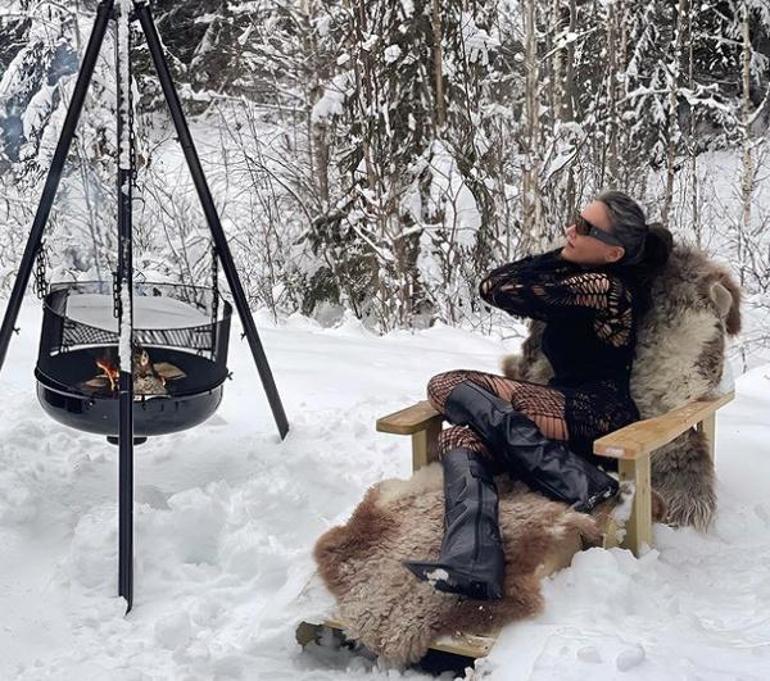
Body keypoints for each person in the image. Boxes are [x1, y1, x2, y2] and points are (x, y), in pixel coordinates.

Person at [404, 190, 674, 600]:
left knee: (445, 385)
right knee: (456, 437)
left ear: (614, 253)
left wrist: (563, 257)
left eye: (585, 227)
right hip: (561, 409)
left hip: (598, 413)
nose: (570, 229)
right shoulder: (585, 275)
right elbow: (495, 282)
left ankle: (582, 481)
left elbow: (500, 289)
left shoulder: (607, 286)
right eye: (574, 219)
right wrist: (569, 250)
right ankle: (472, 560)